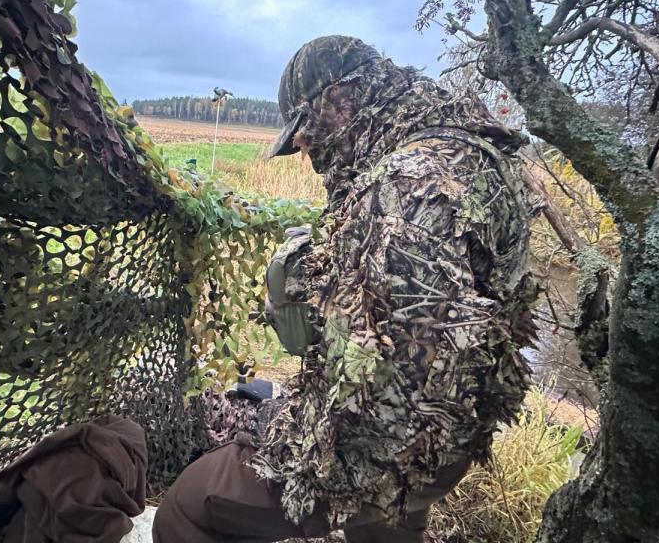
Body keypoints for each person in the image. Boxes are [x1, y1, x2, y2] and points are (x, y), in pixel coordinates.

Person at [153, 35, 536, 543]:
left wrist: (276, 425)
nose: (310, 156)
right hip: (452, 438)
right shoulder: (473, 150)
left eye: (306, 134)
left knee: (189, 506)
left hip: (395, 450)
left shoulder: (404, 187)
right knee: (386, 527)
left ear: (339, 102)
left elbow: (391, 401)